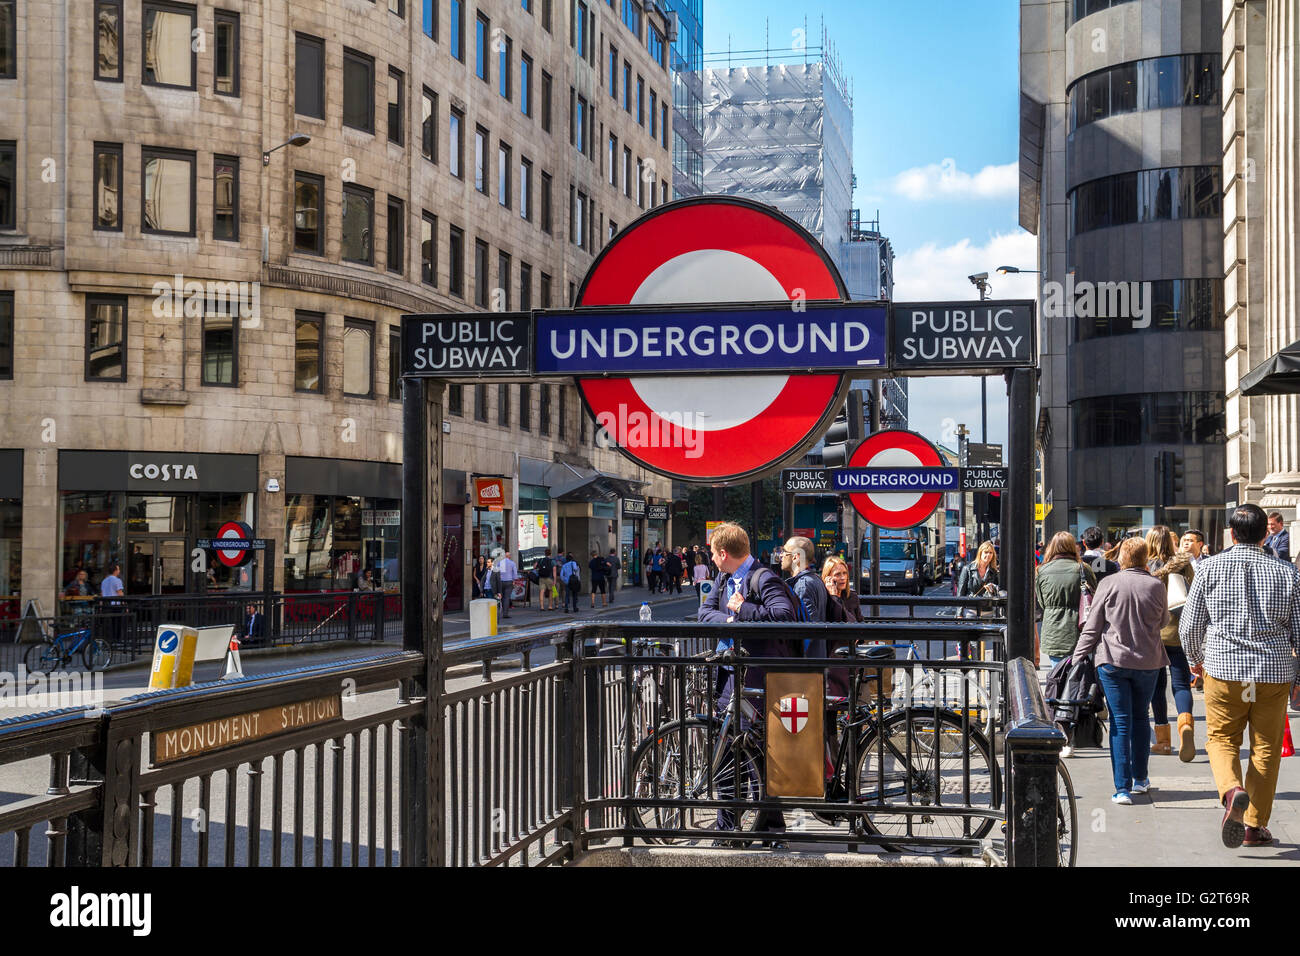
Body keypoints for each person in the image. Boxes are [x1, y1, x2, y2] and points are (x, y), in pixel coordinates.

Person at [1179, 503, 1300, 849]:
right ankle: (1254, 825)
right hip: (1271, 672)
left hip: (1224, 668)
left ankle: (1232, 790)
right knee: (1266, 748)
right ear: (1266, 534)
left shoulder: (1209, 568)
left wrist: (1196, 661)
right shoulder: (1287, 573)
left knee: (1220, 738)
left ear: (1232, 533)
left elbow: (1190, 626)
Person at [697, 522, 797, 845]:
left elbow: (783, 618)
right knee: (730, 753)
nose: (711, 559)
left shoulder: (764, 577)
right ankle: (738, 829)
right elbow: (704, 613)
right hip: (729, 677)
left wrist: (744, 609)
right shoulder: (724, 578)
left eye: (713, 553)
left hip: (757, 678)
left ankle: (758, 829)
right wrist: (729, 619)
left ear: (724, 553)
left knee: (759, 753)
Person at [1074, 537, 1169, 806]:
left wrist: (1078, 657)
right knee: (1141, 718)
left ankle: (1122, 788)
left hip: (1113, 661)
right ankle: (1141, 779)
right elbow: (1163, 621)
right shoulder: (1155, 585)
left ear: (1123, 558)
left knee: (1120, 721)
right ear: (1144, 556)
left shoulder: (1108, 583)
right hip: (1148, 662)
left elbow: (1092, 626)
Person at [1144, 526, 1195, 759]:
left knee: (1157, 688)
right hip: (1178, 632)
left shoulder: (1145, 567)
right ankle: (1186, 724)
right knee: (1182, 684)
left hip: (1152, 634)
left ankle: (1163, 741)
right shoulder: (1183, 565)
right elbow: (1194, 596)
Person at [1035, 531, 1097, 668]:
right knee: (1080, 680)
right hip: (1080, 631)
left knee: (1058, 677)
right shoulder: (1083, 569)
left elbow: (1042, 602)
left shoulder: (1042, 571)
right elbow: (1094, 595)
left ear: (1052, 547)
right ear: (1072, 546)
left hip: (1053, 632)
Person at [495, 550, 518, 619]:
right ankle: (505, 613)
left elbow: (496, 571)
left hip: (501, 582)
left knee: (501, 597)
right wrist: (514, 580)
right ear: (509, 557)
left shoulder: (500, 563)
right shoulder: (512, 563)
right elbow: (515, 573)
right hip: (509, 582)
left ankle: (500, 611)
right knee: (507, 598)